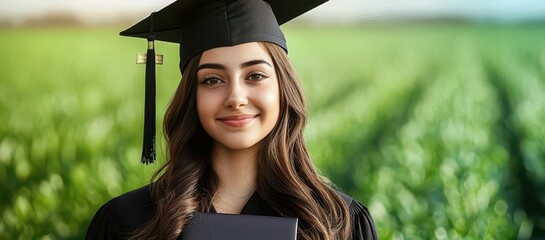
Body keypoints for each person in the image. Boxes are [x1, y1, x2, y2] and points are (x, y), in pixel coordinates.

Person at [85, 0, 378, 239]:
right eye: (212, 79)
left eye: (255, 75)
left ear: (283, 89)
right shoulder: (128, 221)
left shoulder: (340, 224)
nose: (235, 98)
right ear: (191, 97)